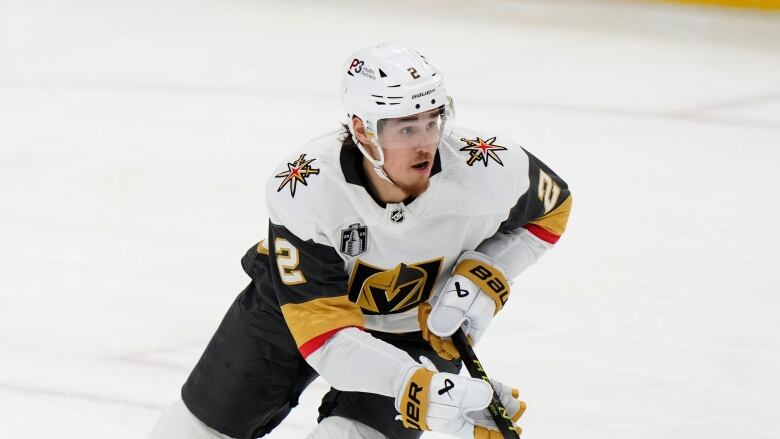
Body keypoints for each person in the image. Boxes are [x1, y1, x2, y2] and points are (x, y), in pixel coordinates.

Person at [148, 42, 571, 439]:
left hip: (416, 329)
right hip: (292, 314)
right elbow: (325, 336)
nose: (426, 142)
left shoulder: (489, 166)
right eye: (405, 129)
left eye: (433, 120)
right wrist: (412, 385)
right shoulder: (306, 188)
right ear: (362, 130)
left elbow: (553, 210)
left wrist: (489, 269)